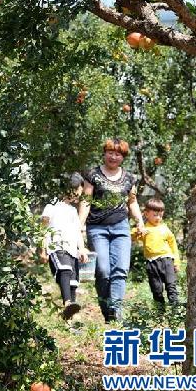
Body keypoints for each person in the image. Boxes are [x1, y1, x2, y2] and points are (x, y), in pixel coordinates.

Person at [78, 138, 145, 323]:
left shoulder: (130, 178)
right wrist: (79, 225)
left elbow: (132, 202)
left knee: (120, 269)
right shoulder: (93, 175)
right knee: (103, 270)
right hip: (97, 227)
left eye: (118, 154)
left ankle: (116, 314)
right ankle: (107, 312)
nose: (113, 157)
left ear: (123, 157)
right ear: (104, 153)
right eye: (110, 152)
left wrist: (140, 222)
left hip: (121, 227)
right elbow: (86, 200)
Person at [40, 173, 89, 320]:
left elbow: (77, 231)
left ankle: (71, 316)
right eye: (78, 192)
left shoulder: (73, 211)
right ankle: (67, 303)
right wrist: (42, 249)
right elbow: (43, 229)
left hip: (72, 250)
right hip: (56, 247)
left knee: (73, 283)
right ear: (70, 189)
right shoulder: (51, 206)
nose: (79, 196)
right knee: (64, 270)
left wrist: (82, 248)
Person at [132, 197, 180, 307]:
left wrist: (176, 262)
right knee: (156, 289)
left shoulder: (165, 228)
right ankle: (160, 312)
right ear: (146, 214)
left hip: (167, 260)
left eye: (160, 215)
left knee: (171, 285)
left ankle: (175, 310)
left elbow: (173, 246)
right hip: (152, 263)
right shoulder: (144, 229)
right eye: (155, 215)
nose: (158, 218)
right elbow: (131, 237)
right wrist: (138, 231)